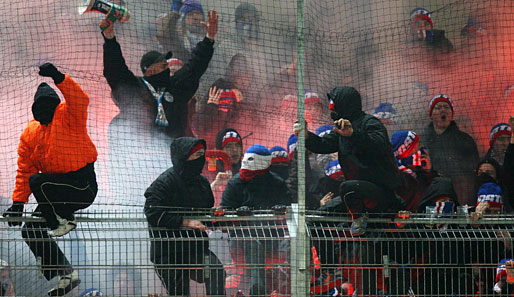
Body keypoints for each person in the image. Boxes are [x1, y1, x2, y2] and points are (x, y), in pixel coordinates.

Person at [2, 63, 98, 296]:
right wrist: (17, 205)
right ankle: (66, 274)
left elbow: (80, 99)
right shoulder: (30, 133)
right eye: (40, 106)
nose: (46, 109)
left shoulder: (68, 115)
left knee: (38, 181)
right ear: (34, 109)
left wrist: (58, 77)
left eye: (49, 105)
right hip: (53, 192)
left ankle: (61, 221)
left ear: (56, 105)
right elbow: (24, 170)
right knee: (30, 230)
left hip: (81, 185)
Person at [299, 86, 405, 235]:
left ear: (345, 104)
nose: (332, 111)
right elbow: (323, 144)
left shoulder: (370, 123)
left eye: (334, 106)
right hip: (356, 194)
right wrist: (307, 137)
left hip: (380, 191)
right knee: (317, 218)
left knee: (347, 187)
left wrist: (353, 135)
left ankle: (359, 220)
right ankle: (323, 257)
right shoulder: (341, 128)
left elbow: (378, 144)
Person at [101, 9, 218, 138]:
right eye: (162, 65)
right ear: (150, 70)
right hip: (140, 149)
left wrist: (209, 39)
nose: (166, 67)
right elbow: (115, 69)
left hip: (172, 151)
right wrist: (110, 39)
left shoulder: (175, 86)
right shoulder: (135, 87)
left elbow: (195, 66)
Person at [144, 137, 225, 296]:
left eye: (202, 154)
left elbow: (205, 215)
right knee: (180, 292)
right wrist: (185, 222)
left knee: (215, 271)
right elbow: (152, 212)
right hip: (168, 254)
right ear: (183, 157)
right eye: (196, 155)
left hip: (196, 251)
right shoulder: (164, 183)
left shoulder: (202, 183)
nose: (200, 159)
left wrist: (216, 217)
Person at [220, 145, 292, 296]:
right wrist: (236, 215)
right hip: (241, 240)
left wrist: (281, 210)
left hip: (271, 239)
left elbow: (289, 210)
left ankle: (299, 287)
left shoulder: (277, 184)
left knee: (295, 241)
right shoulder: (235, 184)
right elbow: (223, 212)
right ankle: (257, 290)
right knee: (253, 242)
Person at [423, 94, 480, 206]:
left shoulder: (465, 140)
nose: (443, 110)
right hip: (429, 190)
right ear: (431, 114)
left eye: (447, 107)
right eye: (438, 108)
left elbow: (473, 166)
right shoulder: (423, 140)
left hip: (458, 192)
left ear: (452, 114)